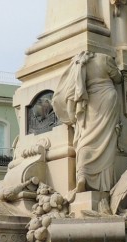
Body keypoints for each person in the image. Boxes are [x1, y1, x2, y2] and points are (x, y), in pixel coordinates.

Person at [51, 51, 122, 193]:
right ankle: (104, 183)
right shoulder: (104, 58)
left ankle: (83, 175)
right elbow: (118, 78)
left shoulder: (78, 63)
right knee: (106, 140)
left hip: (89, 103)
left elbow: (71, 91)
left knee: (85, 140)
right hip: (107, 99)